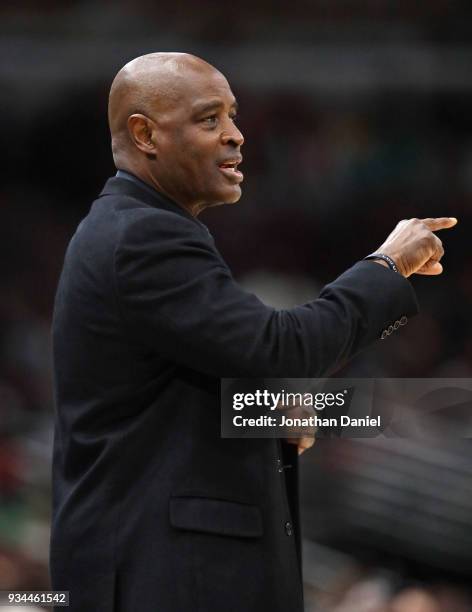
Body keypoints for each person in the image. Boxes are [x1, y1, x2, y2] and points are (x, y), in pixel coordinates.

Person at [49, 52, 456, 612]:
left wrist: (276, 410)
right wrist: (385, 267)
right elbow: (280, 349)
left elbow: (165, 401)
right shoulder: (143, 238)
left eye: (233, 117)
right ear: (145, 134)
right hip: (162, 575)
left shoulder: (138, 231)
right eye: (209, 119)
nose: (236, 136)